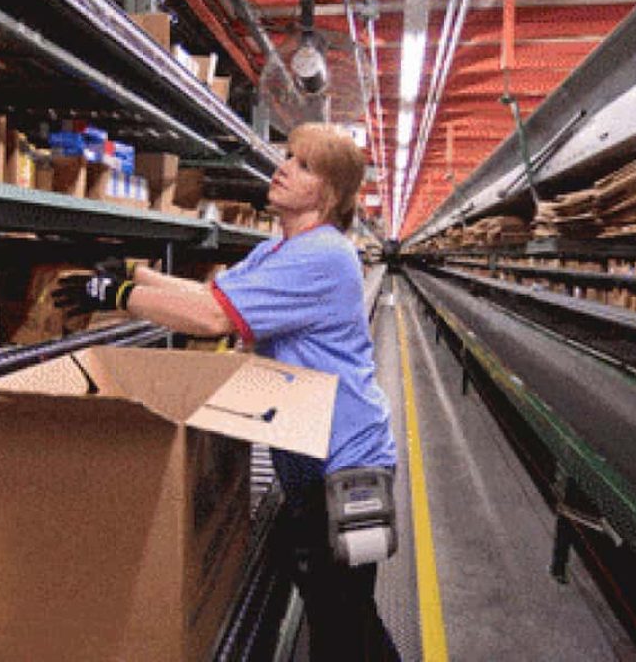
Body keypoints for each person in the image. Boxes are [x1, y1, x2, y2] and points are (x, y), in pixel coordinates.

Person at [55, 122, 400, 661]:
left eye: (304, 166)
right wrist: (136, 273)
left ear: (328, 195)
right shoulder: (279, 250)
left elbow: (213, 317)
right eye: (288, 156)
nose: (283, 168)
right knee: (341, 610)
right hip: (312, 456)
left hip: (345, 464)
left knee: (341, 622)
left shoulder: (325, 255)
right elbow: (210, 292)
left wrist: (119, 295)